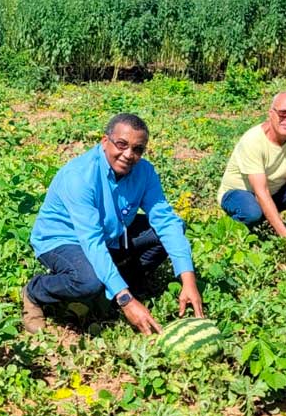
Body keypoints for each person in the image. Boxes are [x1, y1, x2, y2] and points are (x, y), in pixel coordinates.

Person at [21, 113, 204, 335]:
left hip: (111, 232)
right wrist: (127, 300)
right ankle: (35, 292)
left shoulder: (144, 172)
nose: (129, 155)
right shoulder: (79, 176)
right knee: (87, 282)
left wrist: (188, 279)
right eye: (122, 144)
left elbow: (166, 221)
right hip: (64, 239)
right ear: (105, 141)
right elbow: (92, 242)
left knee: (168, 232)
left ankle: (117, 285)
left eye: (137, 149)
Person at [217, 91, 286, 250]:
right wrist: (283, 235)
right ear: (271, 113)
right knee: (252, 213)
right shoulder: (253, 140)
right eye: (283, 113)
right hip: (240, 193)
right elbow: (260, 192)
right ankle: (234, 236)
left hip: (274, 192)